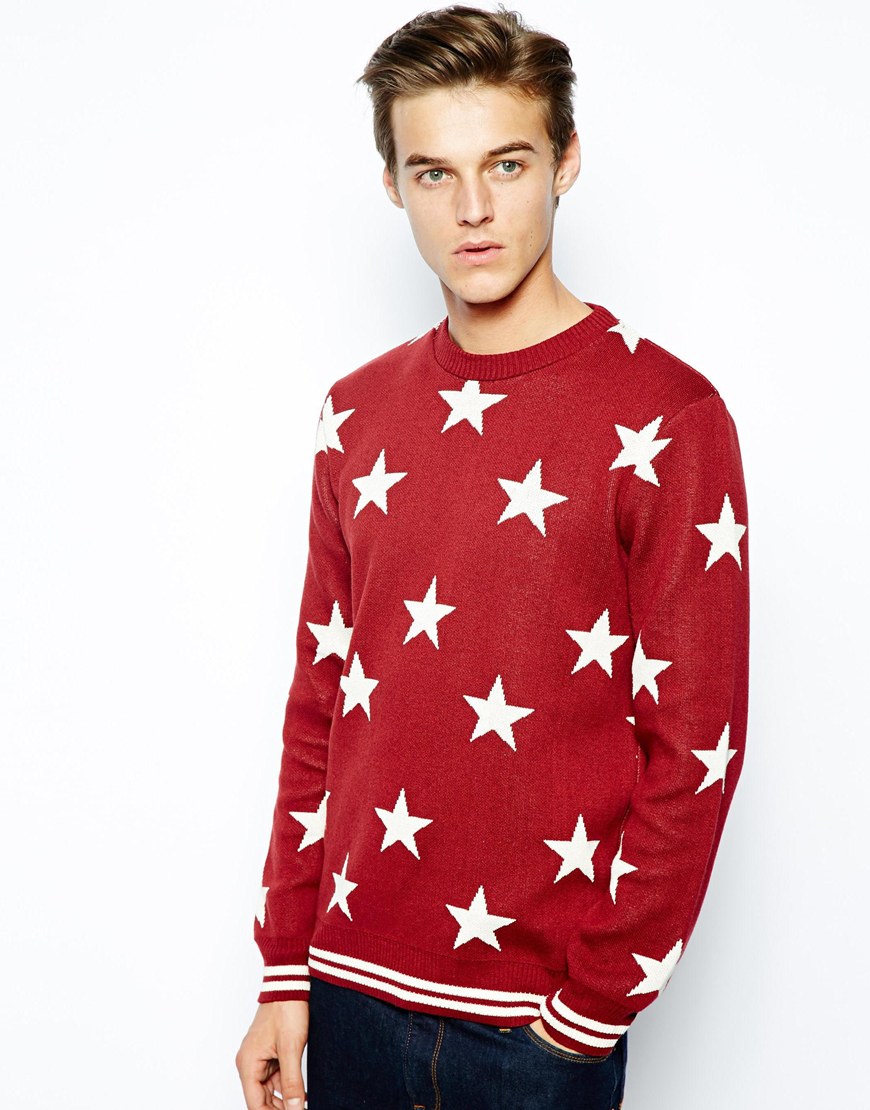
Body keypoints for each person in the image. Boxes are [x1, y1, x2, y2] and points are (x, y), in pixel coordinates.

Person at [236, 5, 750, 1108]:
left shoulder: (668, 416)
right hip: (347, 990)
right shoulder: (356, 414)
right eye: (434, 172)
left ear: (565, 162)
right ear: (393, 185)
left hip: (538, 1031)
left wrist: (591, 1008)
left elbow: (695, 742)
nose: (471, 209)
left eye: (505, 164)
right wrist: (284, 967)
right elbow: (322, 697)